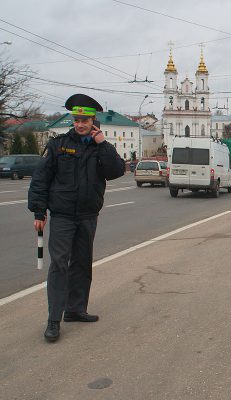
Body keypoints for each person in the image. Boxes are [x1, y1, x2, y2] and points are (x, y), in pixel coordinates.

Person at [28, 94, 125, 342]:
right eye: (77, 119)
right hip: (62, 214)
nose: (80, 123)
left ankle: (75, 309)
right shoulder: (58, 144)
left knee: (82, 263)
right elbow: (41, 179)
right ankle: (53, 319)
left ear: (94, 121)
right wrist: (39, 211)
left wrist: (103, 144)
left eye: (84, 120)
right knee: (59, 264)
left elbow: (116, 171)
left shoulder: (100, 147)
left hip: (87, 215)